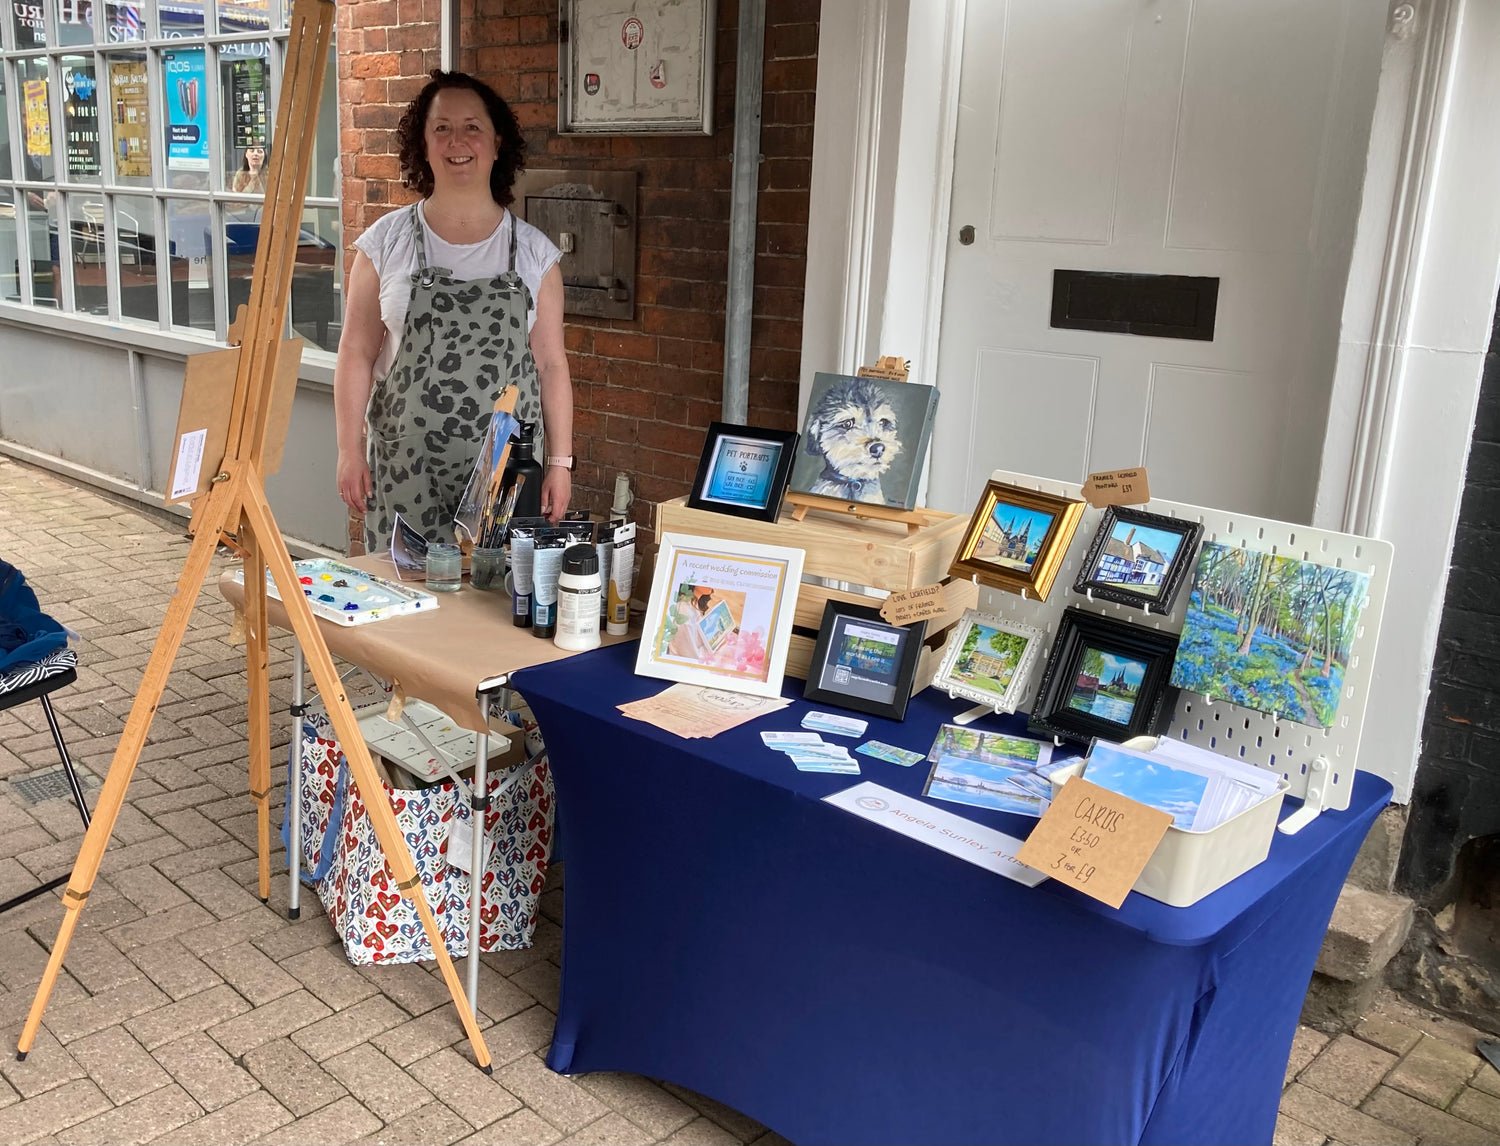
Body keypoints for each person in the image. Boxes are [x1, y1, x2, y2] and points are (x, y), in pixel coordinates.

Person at [334, 70, 572, 552]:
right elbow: (356, 352)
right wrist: (348, 450)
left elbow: (550, 364)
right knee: (405, 605)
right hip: (406, 466)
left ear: (497, 142)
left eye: (472, 127)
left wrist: (561, 464)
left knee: (498, 602)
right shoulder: (385, 244)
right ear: (422, 143)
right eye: (441, 128)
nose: (457, 142)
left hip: (507, 467)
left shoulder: (534, 254)